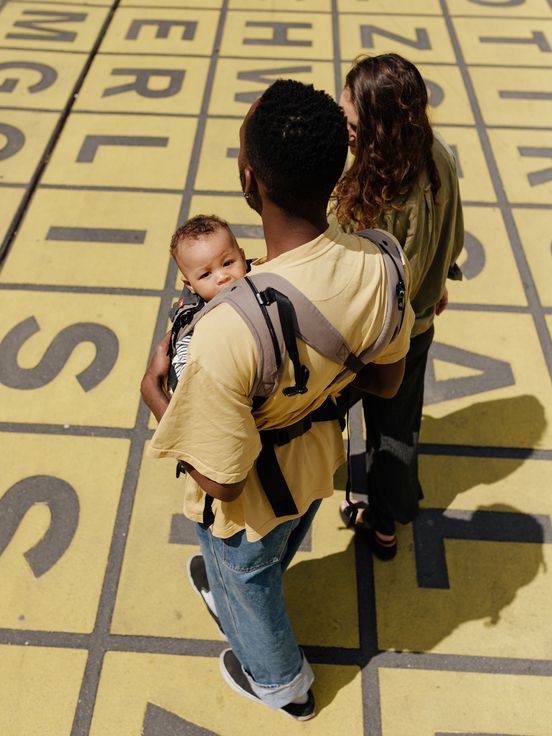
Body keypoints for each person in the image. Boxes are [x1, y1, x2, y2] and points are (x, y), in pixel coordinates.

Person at [141, 79, 414, 720]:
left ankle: (282, 682)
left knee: (246, 570)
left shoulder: (226, 329)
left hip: (252, 491)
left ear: (249, 179)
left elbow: (223, 480)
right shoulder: (382, 260)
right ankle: (236, 593)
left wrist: (157, 398)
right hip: (317, 460)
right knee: (275, 550)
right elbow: (384, 383)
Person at [333, 53, 464, 559]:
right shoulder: (438, 154)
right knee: (400, 426)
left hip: (371, 341)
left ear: (380, 129)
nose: (344, 132)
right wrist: (439, 279)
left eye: (351, 123)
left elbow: (358, 283)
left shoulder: (374, 192)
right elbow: (451, 234)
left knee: (344, 424)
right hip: (420, 325)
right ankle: (389, 519)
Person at [166, 215, 247, 388]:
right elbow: (183, 369)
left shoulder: (261, 280)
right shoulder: (194, 321)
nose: (222, 277)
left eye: (228, 263)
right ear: (190, 285)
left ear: (242, 257)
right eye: (205, 274)